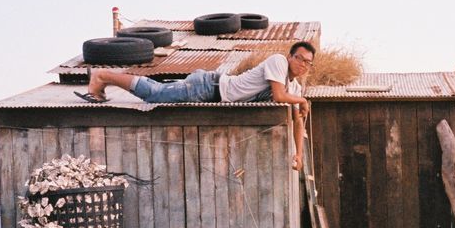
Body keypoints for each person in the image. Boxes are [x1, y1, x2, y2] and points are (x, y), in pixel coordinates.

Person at [82, 40, 316, 170]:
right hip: (208, 87)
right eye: (300, 59)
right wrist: (303, 101)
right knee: (155, 93)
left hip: (211, 94)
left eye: (308, 63)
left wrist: (298, 155)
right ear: (290, 57)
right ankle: (103, 76)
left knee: (159, 90)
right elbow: (278, 96)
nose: (303, 65)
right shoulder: (278, 63)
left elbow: (297, 120)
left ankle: (105, 79)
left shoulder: (293, 88)